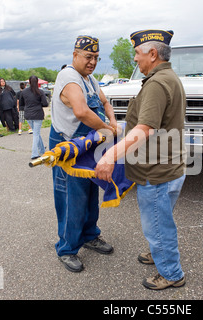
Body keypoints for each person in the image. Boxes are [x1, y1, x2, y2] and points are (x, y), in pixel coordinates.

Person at [95, 30, 187, 290]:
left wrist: (111, 155)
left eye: (137, 53)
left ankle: (171, 273)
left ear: (153, 54)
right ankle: (159, 255)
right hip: (168, 166)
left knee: (157, 224)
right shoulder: (167, 77)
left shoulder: (158, 83)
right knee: (161, 218)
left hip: (156, 170)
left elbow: (144, 129)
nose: (135, 58)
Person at [49, 35, 118, 272]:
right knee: (71, 198)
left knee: (90, 194)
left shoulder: (90, 79)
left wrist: (113, 120)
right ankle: (67, 248)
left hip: (89, 144)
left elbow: (105, 102)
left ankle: (89, 235)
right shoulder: (68, 76)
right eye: (88, 57)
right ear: (75, 55)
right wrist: (108, 130)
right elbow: (80, 111)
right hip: (68, 145)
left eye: (97, 58)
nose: (93, 62)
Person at [19, 76, 49, 159]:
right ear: (37, 82)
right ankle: (34, 154)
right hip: (38, 114)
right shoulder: (40, 92)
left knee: (36, 133)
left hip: (28, 114)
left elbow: (21, 103)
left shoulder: (24, 92)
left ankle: (42, 150)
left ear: (29, 82)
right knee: (36, 134)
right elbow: (45, 104)